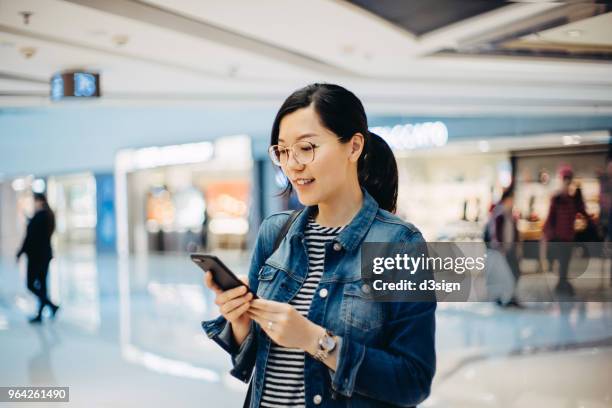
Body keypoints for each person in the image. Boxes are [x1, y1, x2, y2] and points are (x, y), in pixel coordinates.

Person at [201, 84, 436, 407]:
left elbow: (413, 382)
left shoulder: (398, 243)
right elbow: (254, 360)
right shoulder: (275, 232)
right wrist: (241, 321)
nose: (292, 164)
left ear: (353, 147)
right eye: (282, 151)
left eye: (306, 148)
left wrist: (317, 340)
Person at [542, 166, 588, 296]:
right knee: (562, 262)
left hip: (569, 237)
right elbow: (550, 218)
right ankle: (562, 285)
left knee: (565, 263)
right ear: (561, 180)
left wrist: (580, 194)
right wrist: (548, 236)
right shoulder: (556, 198)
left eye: (569, 179)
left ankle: (561, 285)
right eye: (565, 179)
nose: (567, 181)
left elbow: (583, 211)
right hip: (558, 238)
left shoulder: (574, 199)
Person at [16, 193, 59, 324]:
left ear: (39, 201)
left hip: (36, 256)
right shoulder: (48, 215)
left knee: (30, 284)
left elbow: (30, 237)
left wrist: (20, 252)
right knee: (43, 284)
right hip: (45, 255)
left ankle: (51, 305)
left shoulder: (40, 216)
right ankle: (42, 313)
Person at [487, 187, 522, 307]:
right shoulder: (499, 213)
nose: (513, 201)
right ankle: (503, 298)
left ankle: (510, 296)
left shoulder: (510, 213)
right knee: (505, 275)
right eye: (512, 199)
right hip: (502, 251)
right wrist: (500, 248)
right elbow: (495, 233)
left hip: (510, 249)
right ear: (507, 199)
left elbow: (514, 232)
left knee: (515, 273)